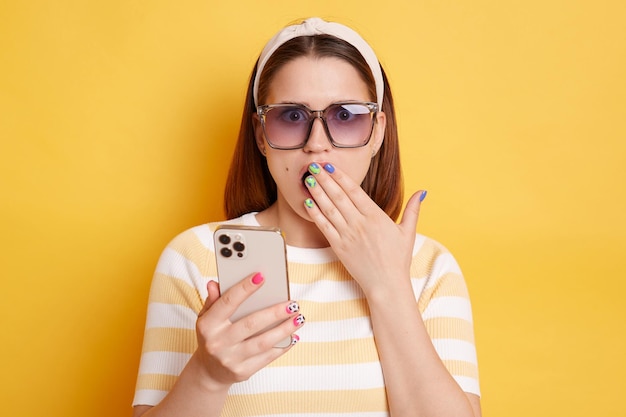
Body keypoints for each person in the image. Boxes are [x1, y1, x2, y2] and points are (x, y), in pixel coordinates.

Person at [132, 17, 481, 417]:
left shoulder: (430, 268)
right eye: (291, 117)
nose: (317, 146)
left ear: (378, 132)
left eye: (346, 116)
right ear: (261, 135)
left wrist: (388, 285)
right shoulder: (195, 258)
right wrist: (208, 376)